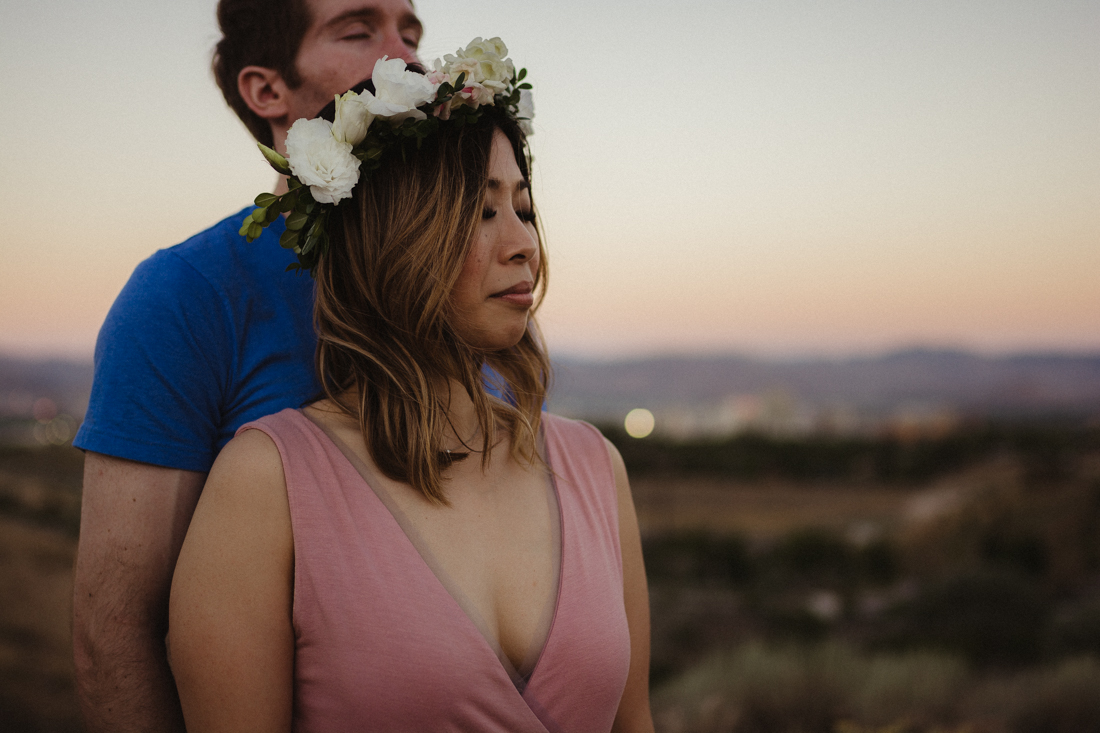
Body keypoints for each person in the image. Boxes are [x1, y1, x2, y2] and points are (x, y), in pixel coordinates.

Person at [168, 45, 654, 731]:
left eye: (524, 208)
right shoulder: (266, 484)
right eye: (483, 213)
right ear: (395, 237)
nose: (524, 245)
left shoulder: (595, 468)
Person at [71, 1, 423, 730]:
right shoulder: (186, 296)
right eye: (359, 32)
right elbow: (117, 631)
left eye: (411, 32)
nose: (406, 60)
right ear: (267, 92)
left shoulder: (468, 295)